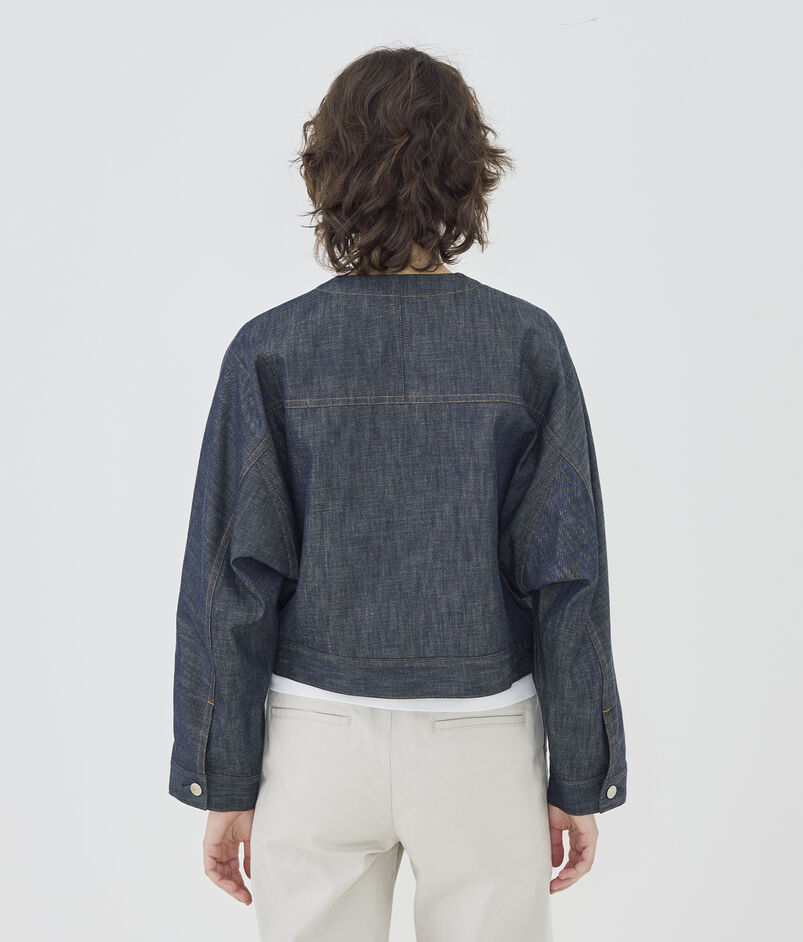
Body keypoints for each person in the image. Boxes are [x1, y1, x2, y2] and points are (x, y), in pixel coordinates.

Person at [169, 45, 627, 942]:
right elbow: (567, 576)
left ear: (327, 172)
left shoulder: (270, 349)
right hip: (480, 740)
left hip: (314, 740)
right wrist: (579, 774)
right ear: (469, 174)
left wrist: (221, 779)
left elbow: (230, 582)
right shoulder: (524, 345)